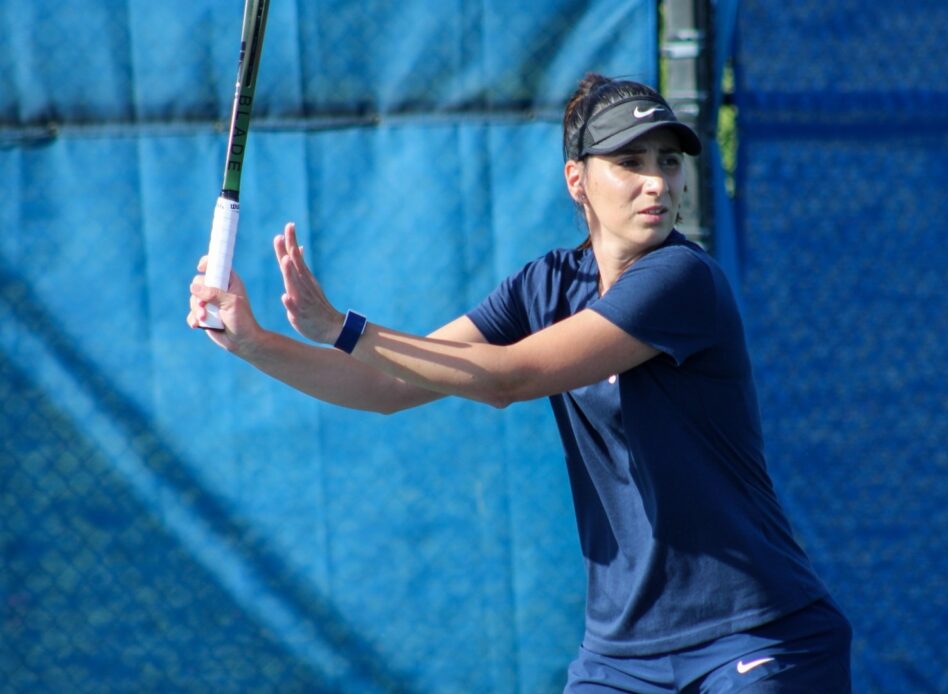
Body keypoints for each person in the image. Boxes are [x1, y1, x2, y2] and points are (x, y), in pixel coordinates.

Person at [188, 73, 852, 693]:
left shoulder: (683, 281)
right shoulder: (544, 287)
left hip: (756, 632)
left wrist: (341, 324)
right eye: (630, 163)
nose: (657, 183)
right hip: (621, 658)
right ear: (577, 180)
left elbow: (511, 378)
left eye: (668, 161)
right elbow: (386, 388)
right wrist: (255, 342)